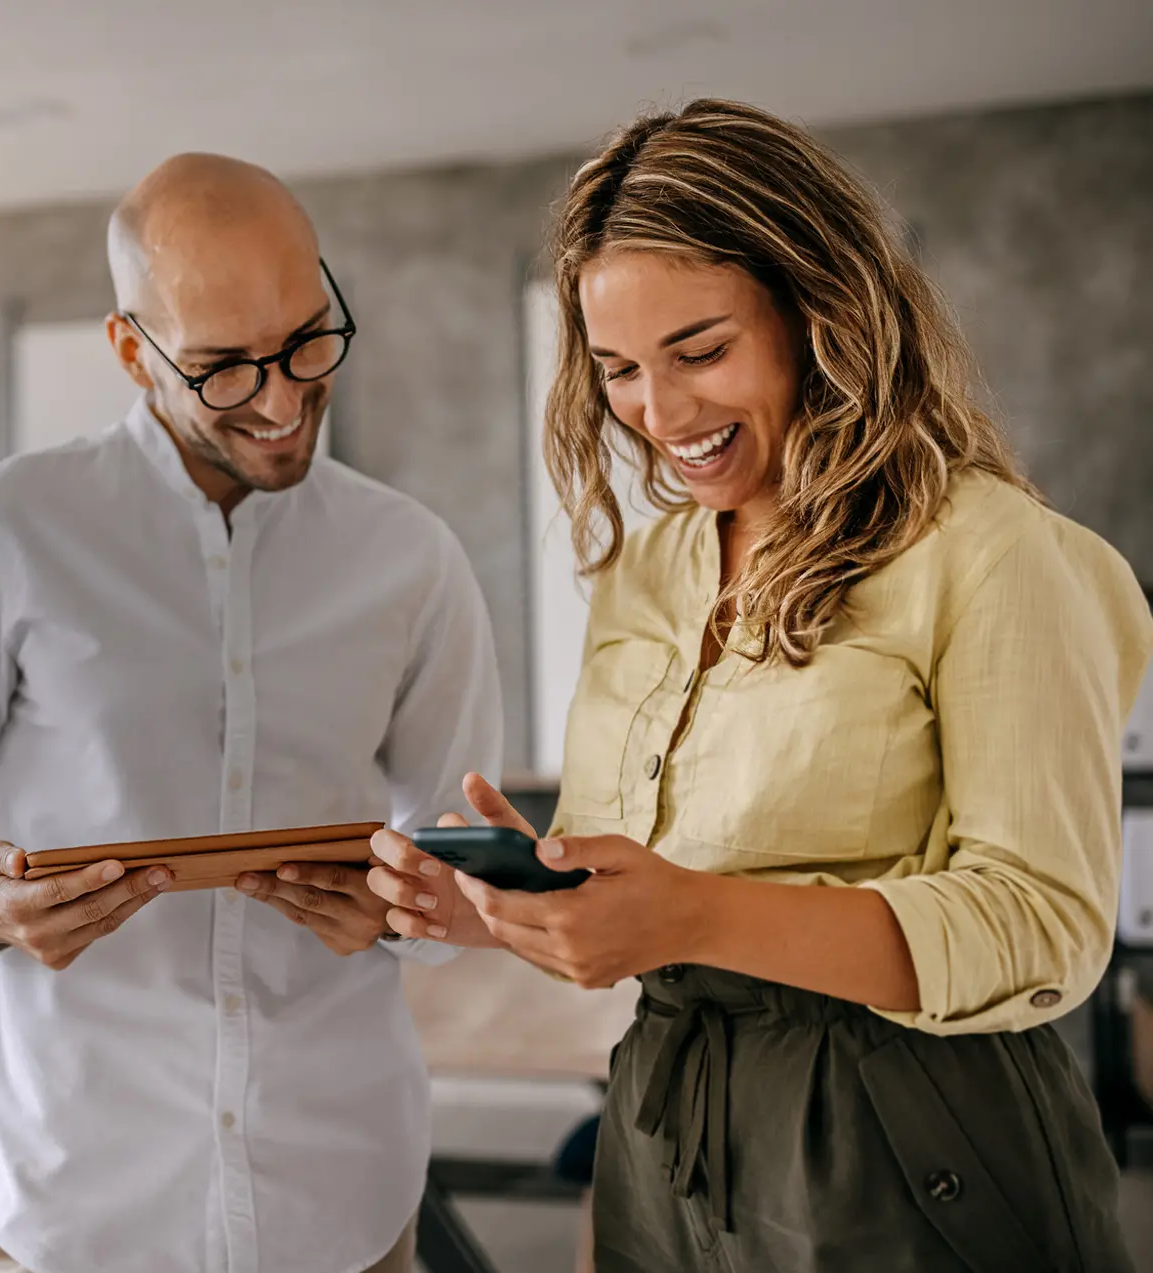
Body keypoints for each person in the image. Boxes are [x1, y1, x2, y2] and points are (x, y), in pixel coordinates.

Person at [370, 99, 1152, 1273]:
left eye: (701, 350)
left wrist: (691, 912)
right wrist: (500, 911)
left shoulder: (990, 551)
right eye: (620, 368)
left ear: (817, 311)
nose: (660, 413)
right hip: (669, 1126)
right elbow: (655, 887)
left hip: (912, 1131)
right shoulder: (650, 568)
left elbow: (1041, 924)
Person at [0, 153, 503, 1273]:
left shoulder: (413, 557)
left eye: (309, 338)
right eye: (221, 368)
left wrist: (406, 910)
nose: (282, 397)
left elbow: (464, 847)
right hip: (74, 1195)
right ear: (130, 349)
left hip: (342, 1192)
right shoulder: (3, 525)